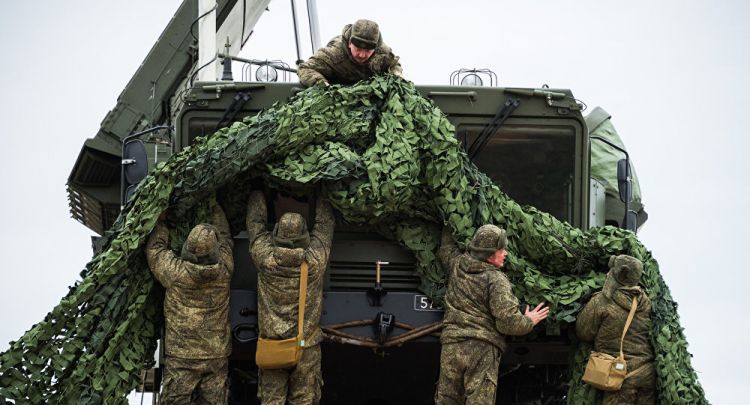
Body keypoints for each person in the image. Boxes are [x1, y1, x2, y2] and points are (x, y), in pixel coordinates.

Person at [435, 225, 549, 404]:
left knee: (447, 400)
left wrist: (448, 223)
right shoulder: (496, 280)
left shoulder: (458, 264)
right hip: (481, 349)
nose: (506, 253)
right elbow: (507, 323)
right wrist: (529, 320)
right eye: (501, 249)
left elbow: (446, 250)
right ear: (489, 255)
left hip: (452, 346)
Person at [246, 190, 335, 405]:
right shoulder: (314, 263)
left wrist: (258, 191)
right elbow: (325, 226)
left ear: (276, 234)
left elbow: (255, 226)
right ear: (306, 238)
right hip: (305, 348)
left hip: (273, 349)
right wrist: (323, 189)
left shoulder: (265, 261)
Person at [146, 203, 234, 404]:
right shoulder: (225, 271)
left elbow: (155, 250)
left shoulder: (175, 273)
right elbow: (226, 237)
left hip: (181, 358)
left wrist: (161, 223)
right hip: (216, 355)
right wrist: (214, 206)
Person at [576, 255, 656, 405]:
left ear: (619, 274)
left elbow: (583, 333)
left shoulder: (602, 301)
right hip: (648, 376)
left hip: (620, 377)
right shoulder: (647, 302)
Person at [297, 19, 403, 87]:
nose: (362, 55)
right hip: (336, 96)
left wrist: (396, 78)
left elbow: (394, 65)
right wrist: (322, 85)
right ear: (349, 43)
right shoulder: (334, 54)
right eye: (357, 49)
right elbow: (305, 69)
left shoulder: (383, 53)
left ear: (375, 49)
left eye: (367, 51)